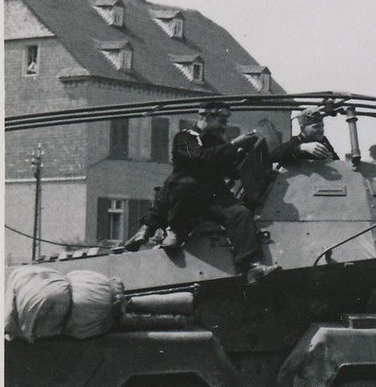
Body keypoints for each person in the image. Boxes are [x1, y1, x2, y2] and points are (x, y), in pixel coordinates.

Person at [123, 103, 279, 284]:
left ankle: (252, 266)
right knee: (187, 185)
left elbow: (231, 171)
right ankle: (175, 231)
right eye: (221, 120)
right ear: (206, 116)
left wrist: (243, 156)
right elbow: (200, 157)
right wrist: (234, 144)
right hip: (187, 199)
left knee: (240, 213)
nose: (224, 125)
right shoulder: (185, 138)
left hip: (213, 197)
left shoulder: (219, 143)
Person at [271, 107, 337, 164]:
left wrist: (331, 160)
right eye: (316, 127)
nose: (321, 130)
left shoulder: (323, 141)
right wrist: (301, 148)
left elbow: (337, 161)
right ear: (303, 128)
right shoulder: (295, 141)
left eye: (322, 126)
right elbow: (274, 156)